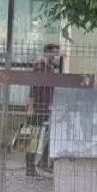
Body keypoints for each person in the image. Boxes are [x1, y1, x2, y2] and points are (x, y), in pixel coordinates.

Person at [25, 43, 61, 176]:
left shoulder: (50, 68)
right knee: (33, 136)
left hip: (46, 106)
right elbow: (34, 86)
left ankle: (42, 162)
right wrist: (31, 106)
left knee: (45, 135)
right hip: (37, 105)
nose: (57, 55)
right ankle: (29, 168)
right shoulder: (40, 66)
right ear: (48, 52)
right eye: (55, 52)